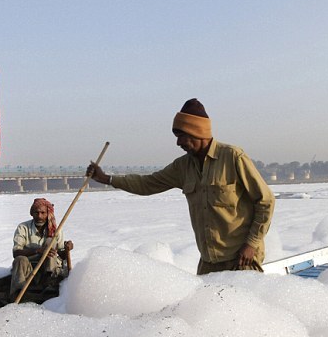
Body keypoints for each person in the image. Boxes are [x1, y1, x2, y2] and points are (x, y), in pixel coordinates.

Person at [86, 98, 274, 274]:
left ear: (197, 132)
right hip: (209, 263)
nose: (178, 142)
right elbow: (148, 183)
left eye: (181, 135)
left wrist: (251, 244)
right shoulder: (183, 166)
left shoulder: (233, 157)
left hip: (241, 261)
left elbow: (265, 202)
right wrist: (108, 179)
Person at [10, 198, 73, 299]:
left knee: (50, 241)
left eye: (43, 213)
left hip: (49, 269)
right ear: (32, 213)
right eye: (36, 212)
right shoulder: (23, 227)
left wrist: (67, 249)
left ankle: (50, 282)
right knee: (20, 259)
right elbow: (16, 252)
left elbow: (62, 255)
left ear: (48, 214)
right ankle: (19, 292)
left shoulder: (55, 230)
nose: (39, 216)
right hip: (29, 269)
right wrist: (38, 250)